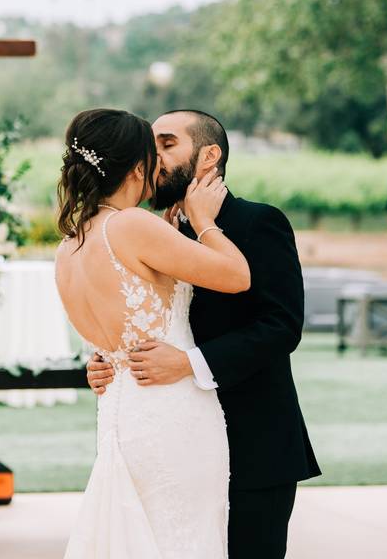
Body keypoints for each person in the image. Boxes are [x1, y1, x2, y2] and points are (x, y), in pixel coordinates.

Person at [85, 109, 322, 559]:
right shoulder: (150, 232)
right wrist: (108, 361)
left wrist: (190, 363)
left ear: (209, 155)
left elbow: (282, 326)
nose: (152, 156)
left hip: (253, 445)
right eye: (149, 145)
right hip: (175, 447)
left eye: (167, 144)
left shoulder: (258, 222)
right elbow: (142, 317)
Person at [54, 108, 250, 558]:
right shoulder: (131, 225)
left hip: (120, 415)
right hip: (171, 411)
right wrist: (204, 223)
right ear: (139, 167)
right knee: (184, 540)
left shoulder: (69, 244)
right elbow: (237, 276)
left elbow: (109, 340)